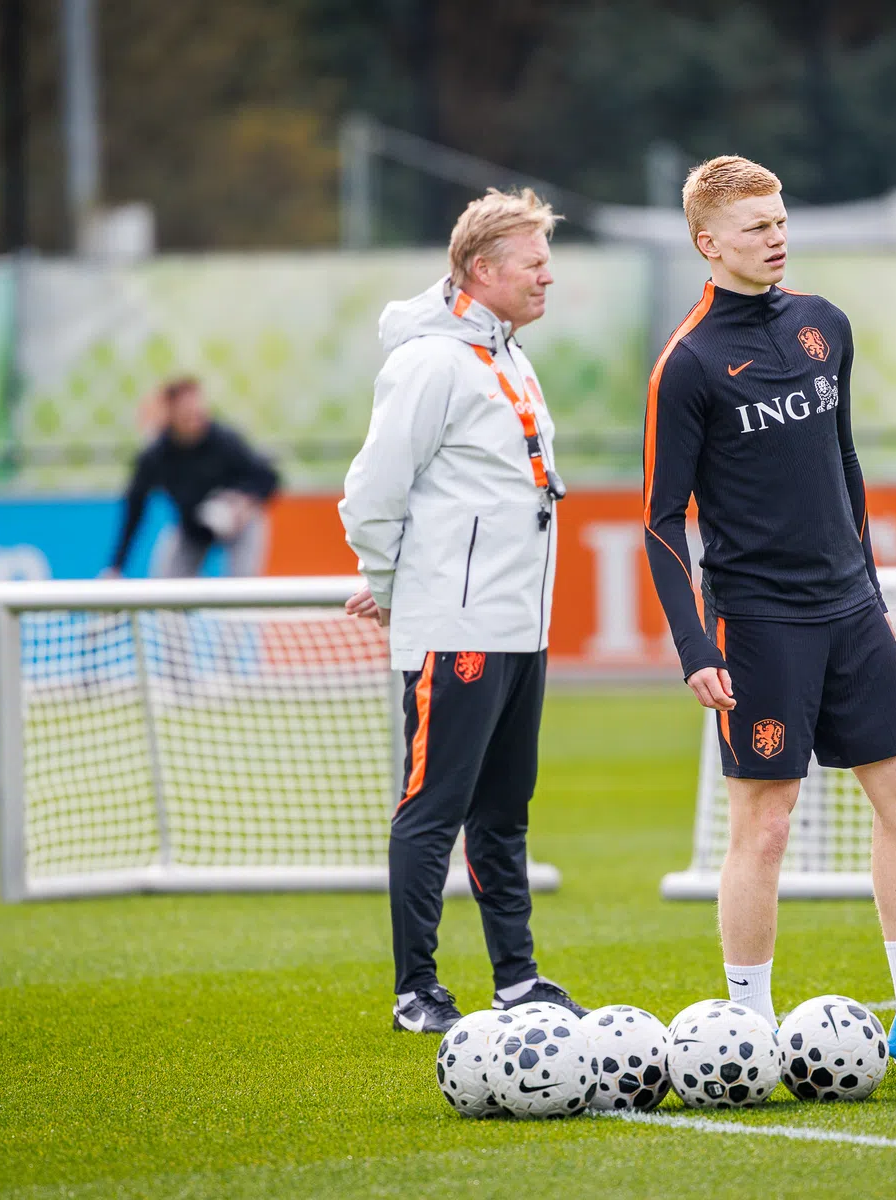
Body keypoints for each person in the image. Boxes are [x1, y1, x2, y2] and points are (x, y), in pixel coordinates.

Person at [642, 156, 896, 1062]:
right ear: (708, 244)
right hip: (758, 620)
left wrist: (870, 587)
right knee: (765, 825)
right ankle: (750, 1028)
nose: (775, 238)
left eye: (779, 221)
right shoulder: (687, 364)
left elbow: (844, 462)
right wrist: (696, 646)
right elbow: (660, 521)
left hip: (851, 608)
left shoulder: (824, 326)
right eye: (754, 228)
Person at [339, 188, 586, 1034]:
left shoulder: (508, 354)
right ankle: (417, 991)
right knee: (432, 810)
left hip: (519, 626)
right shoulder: (429, 362)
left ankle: (516, 979)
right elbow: (371, 491)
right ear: (481, 270)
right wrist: (390, 581)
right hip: (459, 630)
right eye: (534, 262)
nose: (548, 276)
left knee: (503, 812)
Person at [105, 377, 279, 578]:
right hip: (191, 527)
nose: (195, 418)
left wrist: (242, 500)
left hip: (239, 523)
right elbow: (135, 510)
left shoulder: (224, 440)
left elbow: (268, 477)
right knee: (166, 587)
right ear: (170, 414)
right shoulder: (156, 456)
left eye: (198, 412)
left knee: (244, 586)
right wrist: (116, 566)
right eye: (187, 413)